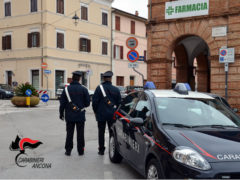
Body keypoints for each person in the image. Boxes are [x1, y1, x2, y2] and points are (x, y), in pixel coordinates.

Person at [59, 71, 90, 156]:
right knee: (80, 133)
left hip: (69, 115)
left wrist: (61, 114)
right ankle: (81, 151)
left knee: (69, 133)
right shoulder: (84, 89)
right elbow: (87, 103)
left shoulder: (66, 89)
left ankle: (68, 150)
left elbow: (62, 104)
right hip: (80, 115)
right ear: (79, 79)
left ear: (72, 78)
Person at [92, 71, 121, 155]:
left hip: (101, 114)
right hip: (112, 114)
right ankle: (113, 149)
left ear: (104, 79)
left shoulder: (99, 88)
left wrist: (95, 111)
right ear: (111, 79)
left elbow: (94, 102)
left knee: (101, 132)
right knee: (112, 132)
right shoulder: (116, 89)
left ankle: (101, 150)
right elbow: (119, 103)